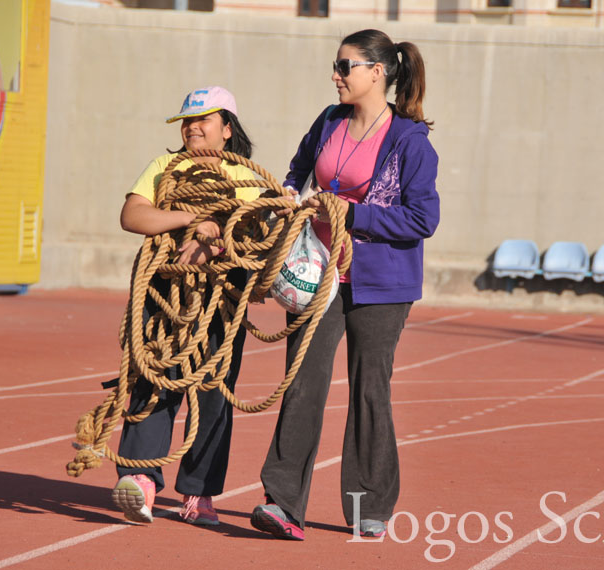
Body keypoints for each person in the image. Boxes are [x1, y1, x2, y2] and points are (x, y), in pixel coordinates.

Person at [249, 29, 440, 541]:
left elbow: (423, 219)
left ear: (377, 72)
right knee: (302, 382)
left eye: (345, 66)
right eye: (336, 66)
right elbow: (299, 168)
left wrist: (353, 215)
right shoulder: (329, 120)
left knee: (369, 390)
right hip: (319, 275)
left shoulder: (410, 140)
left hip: (382, 284)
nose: (336, 75)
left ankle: (368, 507)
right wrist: (289, 195)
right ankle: (283, 502)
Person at [111, 87, 258, 526]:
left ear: (227, 129)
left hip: (223, 295)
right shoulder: (164, 167)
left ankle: (200, 494)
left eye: (204, 120)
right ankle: (140, 482)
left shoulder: (246, 179)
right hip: (164, 290)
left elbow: (249, 230)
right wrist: (192, 220)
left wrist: (214, 240)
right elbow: (135, 215)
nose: (192, 127)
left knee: (213, 391)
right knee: (155, 378)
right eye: (187, 121)